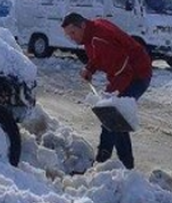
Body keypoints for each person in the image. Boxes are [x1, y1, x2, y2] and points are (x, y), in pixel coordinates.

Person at [61, 12, 152, 169]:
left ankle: (110, 162)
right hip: (128, 73)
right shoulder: (92, 32)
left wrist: (109, 96)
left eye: (73, 33)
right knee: (113, 118)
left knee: (113, 116)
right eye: (68, 35)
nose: (72, 38)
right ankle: (116, 163)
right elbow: (99, 56)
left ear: (82, 25)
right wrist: (90, 68)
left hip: (137, 75)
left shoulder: (99, 38)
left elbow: (124, 71)